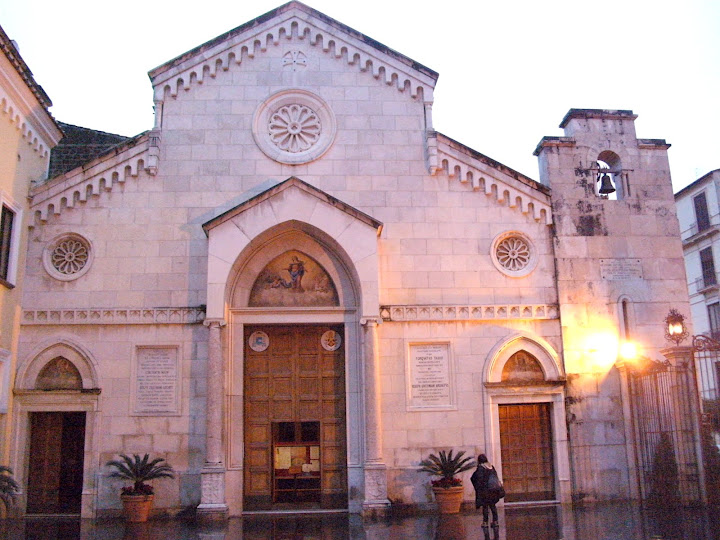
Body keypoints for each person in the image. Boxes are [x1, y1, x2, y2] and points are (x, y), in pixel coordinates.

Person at [470, 454, 503, 528]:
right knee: (493, 505)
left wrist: (478, 488)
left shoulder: (481, 468)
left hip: (485, 490)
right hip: (493, 490)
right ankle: (495, 521)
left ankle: (485, 522)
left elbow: (477, 479)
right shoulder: (491, 467)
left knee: (485, 506)